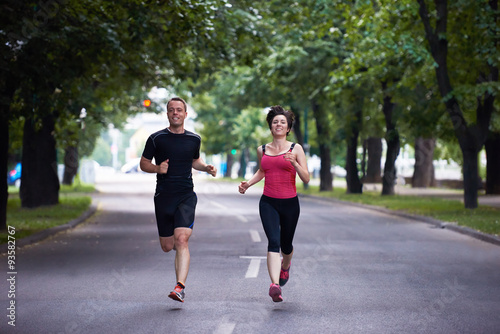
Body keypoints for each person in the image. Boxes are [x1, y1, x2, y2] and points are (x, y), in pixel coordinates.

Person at [140, 97, 217, 303]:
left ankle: (179, 287)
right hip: (163, 197)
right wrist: (157, 168)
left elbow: (195, 161)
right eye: (172, 110)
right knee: (168, 246)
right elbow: (143, 163)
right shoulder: (156, 139)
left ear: (185, 114)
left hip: (186, 195)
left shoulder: (194, 139)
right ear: (167, 114)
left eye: (179, 110)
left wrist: (206, 167)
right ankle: (178, 262)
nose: (176, 113)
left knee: (182, 239)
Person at [238, 105, 309, 302]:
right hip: (268, 202)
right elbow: (262, 170)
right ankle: (274, 285)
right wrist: (248, 184)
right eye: (275, 121)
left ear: (288, 128)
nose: (278, 124)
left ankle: (285, 267)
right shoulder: (262, 149)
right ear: (271, 126)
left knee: (286, 245)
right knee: (273, 242)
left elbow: (306, 178)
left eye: (282, 122)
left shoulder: (296, 149)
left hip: (290, 204)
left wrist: (294, 163)